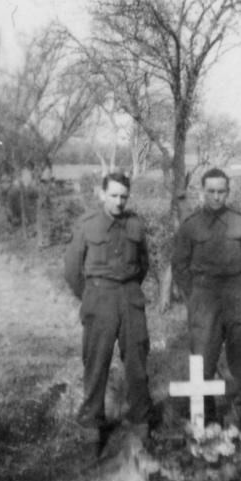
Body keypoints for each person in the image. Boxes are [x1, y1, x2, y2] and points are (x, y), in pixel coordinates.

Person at [64, 171, 154, 445]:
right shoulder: (87, 225)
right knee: (96, 361)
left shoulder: (135, 224)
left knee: (137, 361)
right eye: (113, 195)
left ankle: (140, 421)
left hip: (129, 296)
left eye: (123, 197)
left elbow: (143, 264)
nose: (118, 202)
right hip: (99, 297)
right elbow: (72, 270)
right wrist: (91, 297)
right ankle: (92, 424)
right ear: (102, 194)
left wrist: (129, 290)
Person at [171, 167, 241, 426]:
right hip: (203, 298)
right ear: (202, 192)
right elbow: (180, 265)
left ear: (228, 192)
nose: (216, 197)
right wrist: (195, 296)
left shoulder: (240, 223)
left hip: (236, 297)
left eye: (221, 191)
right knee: (202, 360)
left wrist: (237, 289)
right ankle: (205, 416)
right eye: (211, 191)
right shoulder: (191, 226)